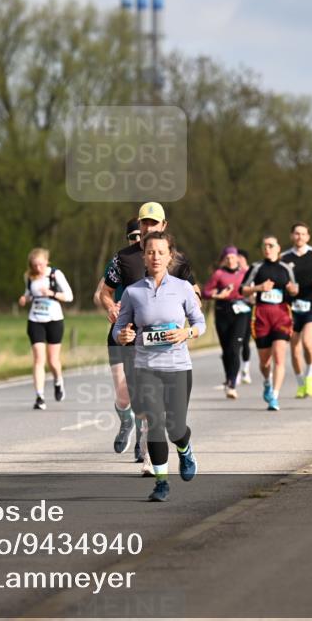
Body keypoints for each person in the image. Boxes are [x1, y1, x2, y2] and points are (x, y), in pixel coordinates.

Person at [99, 203, 200, 471]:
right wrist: (111, 307)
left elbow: (194, 292)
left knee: (156, 410)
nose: (148, 228)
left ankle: (149, 459)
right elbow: (105, 291)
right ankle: (136, 435)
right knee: (134, 399)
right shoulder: (123, 258)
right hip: (130, 337)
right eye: (144, 223)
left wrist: (188, 321)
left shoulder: (175, 259)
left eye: (154, 224)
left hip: (167, 346)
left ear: (163, 226)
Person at [113, 232, 205, 502]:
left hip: (177, 367)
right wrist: (124, 336)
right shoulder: (133, 292)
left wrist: (186, 333)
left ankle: (185, 450)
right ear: (143, 256)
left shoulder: (182, 288)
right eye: (150, 252)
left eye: (160, 252)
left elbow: (200, 323)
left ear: (169, 256)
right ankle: (162, 483)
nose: (155, 257)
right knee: (154, 423)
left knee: (175, 428)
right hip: (146, 367)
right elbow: (121, 326)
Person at [93, 218, 141, 457]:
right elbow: (100, 294)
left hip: (145, 333)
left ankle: (143, 441)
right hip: (119, 330)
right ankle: (126, 421)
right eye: (133, 236)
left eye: (140, 234)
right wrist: (111, 307)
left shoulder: (158, 258)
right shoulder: (121, 260)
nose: (138, 239)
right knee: (123, 395)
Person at [241, 236, 299, 411]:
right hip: (261, 315)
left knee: (279, 358)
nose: (267, 248)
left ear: (278, 248)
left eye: (271, 245)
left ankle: (274, 395)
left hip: (282, 314)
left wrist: (292, 290)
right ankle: (267, 381)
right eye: (264, 245)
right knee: (265, 362)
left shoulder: (286, 268)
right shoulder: (256, 267)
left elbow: (295, 289)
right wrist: (259, 288)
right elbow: (242, 290)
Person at [18, 247, 74, 409]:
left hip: (54, 320)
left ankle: (58, 381)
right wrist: (24, 298)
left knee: (53, 361)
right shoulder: (29, 276)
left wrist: (52, 293)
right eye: (35, 265)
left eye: (41, 265)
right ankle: (40, 397)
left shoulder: (55, 274)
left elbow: (69, 296)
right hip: (35, 319)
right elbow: (29, 292)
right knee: (38, 359)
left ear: (46, 262)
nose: (38, 268)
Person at [280, 223, 312, 398]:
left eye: (303, 234)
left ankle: (310, 374)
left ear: (308, 237)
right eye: (296, 234)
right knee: (295, 350)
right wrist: (287, 289)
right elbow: (278, 282)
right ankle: (300, 383)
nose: (299, 237)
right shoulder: (284, 258)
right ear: (291, 236)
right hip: (291, 309)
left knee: (307, 343)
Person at [202, 245, 249, 399]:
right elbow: (205, 292)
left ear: (237, 258)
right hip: (223, 311)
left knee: (235, 348)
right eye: (227, 258)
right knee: (226, 350)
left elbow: (252, 289)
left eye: (233, 257)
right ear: (223, 260)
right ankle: (229, 377)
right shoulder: (218, 274)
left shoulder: (245, 274)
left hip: (240, 312)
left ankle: (232, 384)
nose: (230, 260)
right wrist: (218, 295)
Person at [236, 250, 254, 386]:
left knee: (246, 341)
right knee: (236, 342)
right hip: (235, 310)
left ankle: (245, 369)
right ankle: (235, 372)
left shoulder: (252, 272)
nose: (237, 260)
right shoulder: (234, 273)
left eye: (240, 258)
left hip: (249, 308)